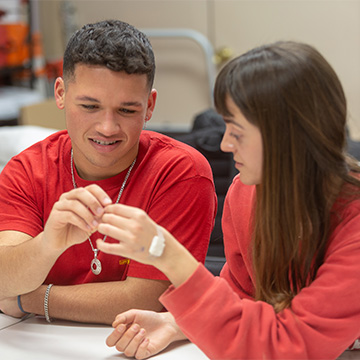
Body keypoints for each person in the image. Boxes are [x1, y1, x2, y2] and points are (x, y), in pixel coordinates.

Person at [95, 41, 360, 359]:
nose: (224, 144)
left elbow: (287, 346)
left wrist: (166, 254)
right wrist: (176, 323)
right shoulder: (246, 193)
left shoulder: (353, 220)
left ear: (287, 136)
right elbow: (244, 300)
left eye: (237, 131)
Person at [0, 20, 217, 325]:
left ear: (150, 105)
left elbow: (148, 299)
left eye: (127, 110)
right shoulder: (27, 169)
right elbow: (3, 276)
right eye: (89, 106)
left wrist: (28, 299)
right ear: (60, 93)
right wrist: (48, 244)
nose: (107, 127)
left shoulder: (181, 171)